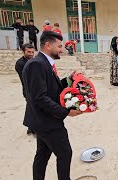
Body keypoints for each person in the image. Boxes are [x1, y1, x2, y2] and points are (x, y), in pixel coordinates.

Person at [22, 31, 82, 179]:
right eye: (59, 46)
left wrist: (68, 79)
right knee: (65, 153)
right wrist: (66, 112)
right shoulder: (37, 64)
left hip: (40, 120)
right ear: (48, 45)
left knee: (42, 155)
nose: (62, 49)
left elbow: (50, 89)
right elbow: (40, 98)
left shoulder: (43, 63)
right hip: (46, 121)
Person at [15, 43, 35, 135]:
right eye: (28, 52)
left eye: (32, 52)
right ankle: (31, 128)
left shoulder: (33, 60)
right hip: (28, 90)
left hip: (35, 89)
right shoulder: (20, 64)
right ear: (23, 52)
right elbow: (26, 79)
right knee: (32, 109)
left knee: (33, 109)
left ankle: (31, 127)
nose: (31, 54)